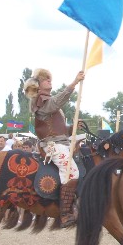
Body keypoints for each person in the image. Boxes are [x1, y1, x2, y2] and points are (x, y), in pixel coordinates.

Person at [23, 67, 86, 227]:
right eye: (46, 79)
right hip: (53, 145)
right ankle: (65, 214)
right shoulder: (41, 101)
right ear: (38, 85)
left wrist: (72, 128)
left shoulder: (48, 102)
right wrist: (74, 82)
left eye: (49, 79)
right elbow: (57, 101)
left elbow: (61, 131)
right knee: (72, 172)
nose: (49, 81)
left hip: (61, 142)